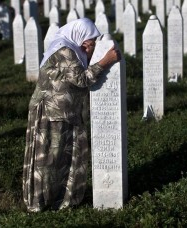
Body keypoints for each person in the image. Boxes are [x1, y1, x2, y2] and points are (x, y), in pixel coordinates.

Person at [22, 18, 121, 212]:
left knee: (64, 158)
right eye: (89, 41)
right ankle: (41, 202)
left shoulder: (74, 49)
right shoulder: (64, 50)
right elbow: (81, 79)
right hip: (50, 112)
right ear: (79, 36)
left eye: (91, 42)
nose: (90, 46)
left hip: (66, 111)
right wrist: (104, 61)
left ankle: (62, 198)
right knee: (49, 159)